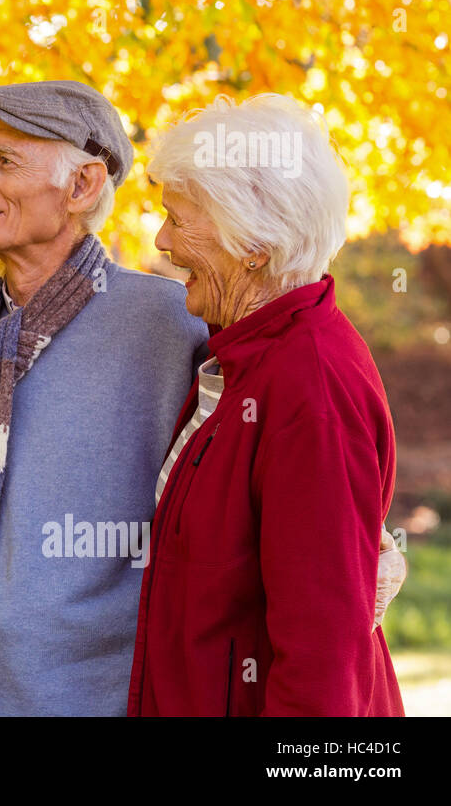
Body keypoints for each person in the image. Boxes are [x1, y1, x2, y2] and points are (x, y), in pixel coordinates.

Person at [0, 81, 405, 716]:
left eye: (4, 161)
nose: (162, 243)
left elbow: (321, 629)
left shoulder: (228, 346)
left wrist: (365, 554)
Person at [128, 94, 404, 715]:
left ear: (252, 240)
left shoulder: (310, 382)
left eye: (179, 218)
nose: (161, 239)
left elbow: (322, 654)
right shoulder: (248, 357)